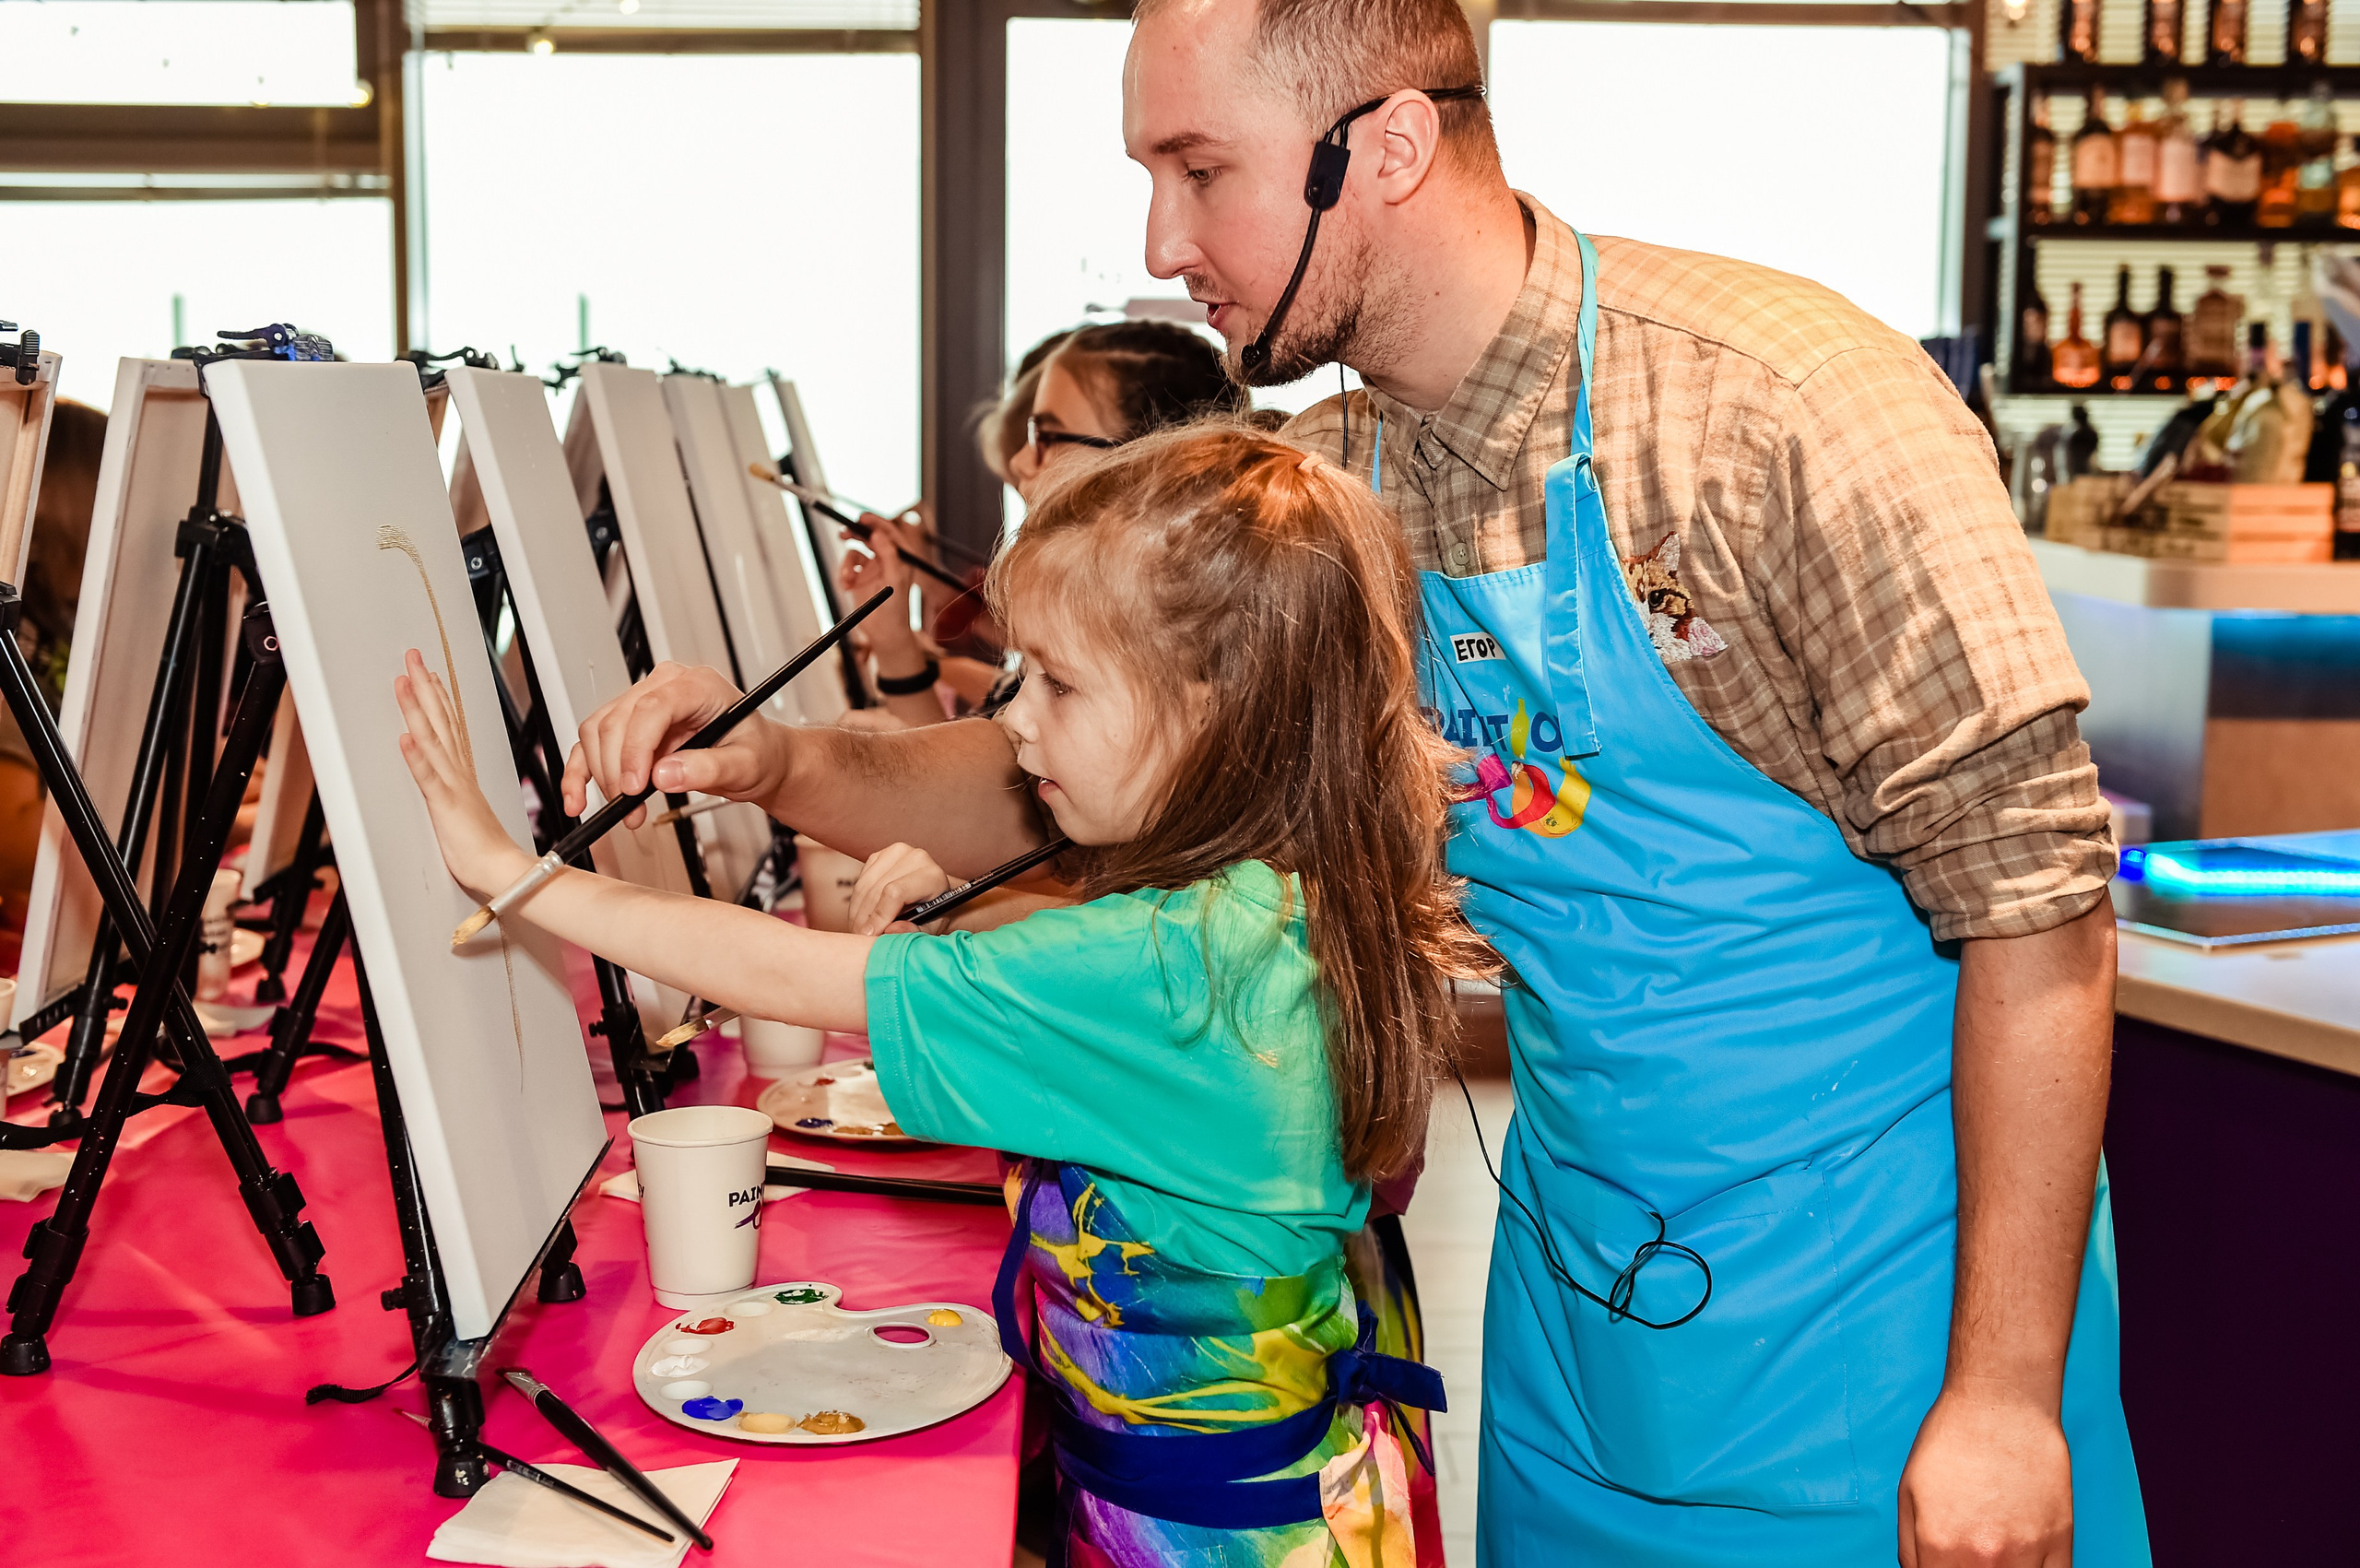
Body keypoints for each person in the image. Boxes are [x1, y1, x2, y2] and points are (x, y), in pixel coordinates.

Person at [570, 2, 2148, 1564]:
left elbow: (2042, 917)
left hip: (1881, 1358)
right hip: (1579, 1328)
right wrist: (781, 763)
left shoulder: (1787, 417)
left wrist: (2004, 1398)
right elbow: (1052, 779)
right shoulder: (1335, 479)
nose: (1160, 239)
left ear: (1387, 143)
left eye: (1199, 171)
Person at [402, 427, 1474, 1564]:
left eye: (1058, 683)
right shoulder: (1276, 901)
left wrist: (512, 870)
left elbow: (782, 969)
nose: (1012, 720)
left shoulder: (1167, 968)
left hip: (1209, 1534)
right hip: (1299, 1492)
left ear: (1221, 705)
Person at [842, 321, 1251, 728]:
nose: (1019, 463)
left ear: (1140, 462)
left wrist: (899, 656)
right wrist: (900, 646)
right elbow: (986, 754)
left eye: (1045, 436)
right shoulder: (1108, 632)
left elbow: (970, 788)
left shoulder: (1140, 665)